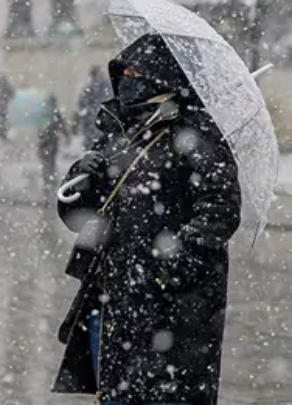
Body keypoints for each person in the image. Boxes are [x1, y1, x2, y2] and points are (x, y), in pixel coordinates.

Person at [52, 34, 241, 405]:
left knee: (164, 395)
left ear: (162, 78)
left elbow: (221, 208)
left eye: (136, 72)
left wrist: (172, 262)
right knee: (118, 394)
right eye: (122, 72)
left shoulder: (197, 135)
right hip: (113, 299)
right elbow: (76, 217)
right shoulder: (123, 134)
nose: (127, 79)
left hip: (170, 307)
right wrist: (83, 177)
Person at [38, 93, 68, 192]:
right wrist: (67, 136)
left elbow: (40, 129)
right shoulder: (55, 113)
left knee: (46, 162)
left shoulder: (43, 113)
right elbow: (62, 127)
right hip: (52, 142)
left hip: (44, 142)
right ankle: (51, 180)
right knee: (51, 162)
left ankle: (47, 181)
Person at [77, 66, 112, 143]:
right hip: (100, 126)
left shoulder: (91, 89)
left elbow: (82, 106)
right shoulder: (107, 86)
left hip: (97, 126)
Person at [0, 73, 13, 141]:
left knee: (3, 119)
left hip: (3, 106)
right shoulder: (7, 85)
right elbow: (12, 93)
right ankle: (3, 132)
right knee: (4, 119)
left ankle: (2, 132)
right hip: (4, 106)